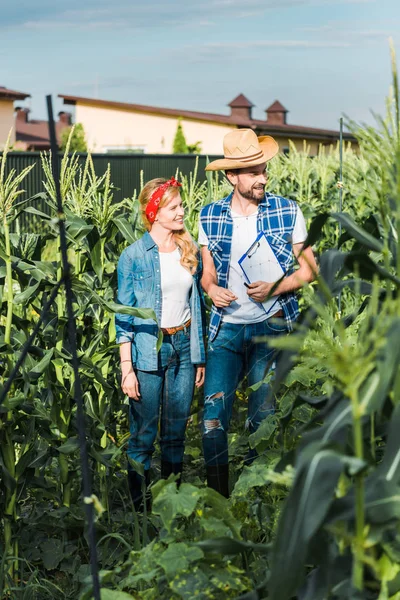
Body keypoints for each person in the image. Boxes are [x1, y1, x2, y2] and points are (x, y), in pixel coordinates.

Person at [198, 129, 317, 497]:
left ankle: (254, 499)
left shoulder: (287, 210)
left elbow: (309, 269)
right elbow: (207, 274)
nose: (263, 177)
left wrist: (274, 288)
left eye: (264, 169)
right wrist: (212, 289)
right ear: (232, 176)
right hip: (226, 331)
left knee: (261, 419)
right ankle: (219, 501)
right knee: (213, 420)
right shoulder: (209, 215)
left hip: (271, 329)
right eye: (253, 172)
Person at [115, 177, 206, 511]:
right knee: (142, 437)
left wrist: (199, 356)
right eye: (174, 207)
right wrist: (128, 369)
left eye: (181, 205)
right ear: (154, 213)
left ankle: (171, 505)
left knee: (175, 433)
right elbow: (123, 317)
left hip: (182, 346)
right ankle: (140, 512)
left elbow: (197, 307)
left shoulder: (188, 248)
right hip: (147, 350)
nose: (182, 211)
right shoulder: (133, 256)